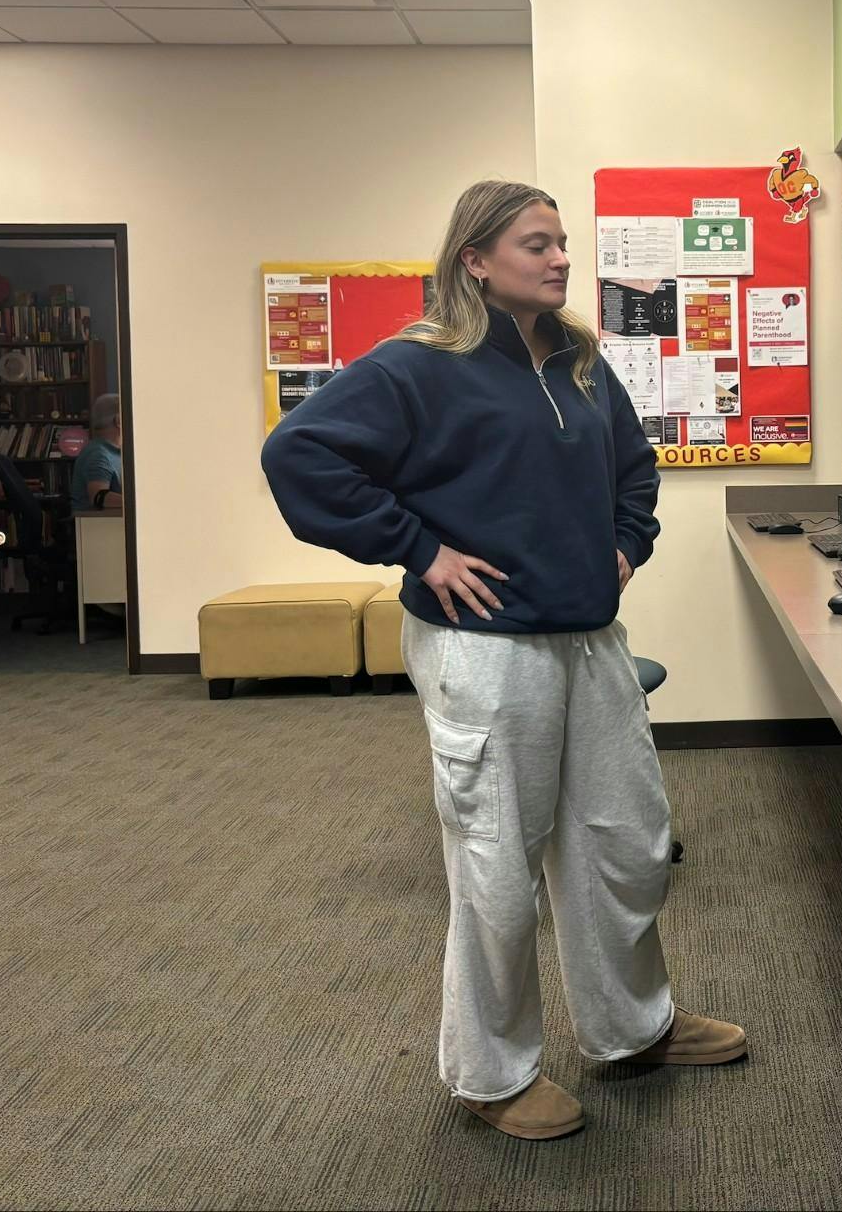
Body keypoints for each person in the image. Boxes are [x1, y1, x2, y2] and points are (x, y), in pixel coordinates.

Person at [260, 181, 745, 1142]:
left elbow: (632, 468)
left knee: (626, 840)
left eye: (563, 242)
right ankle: (492, 1075)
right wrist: (419, 547)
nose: (560, 259)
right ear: (475, 260)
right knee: (496, 865)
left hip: (590, 639)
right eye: (536, 244)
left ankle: (633, 1028)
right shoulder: (417, 365)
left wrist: (626, 540)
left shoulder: (577, 362)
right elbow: (300, 452)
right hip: (484, 649)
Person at [70, 393, 122, 512]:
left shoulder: (112, 451)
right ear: (118, 420)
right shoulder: (98, 454)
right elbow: (99, 497)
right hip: (95, 527)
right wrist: (142, 502)